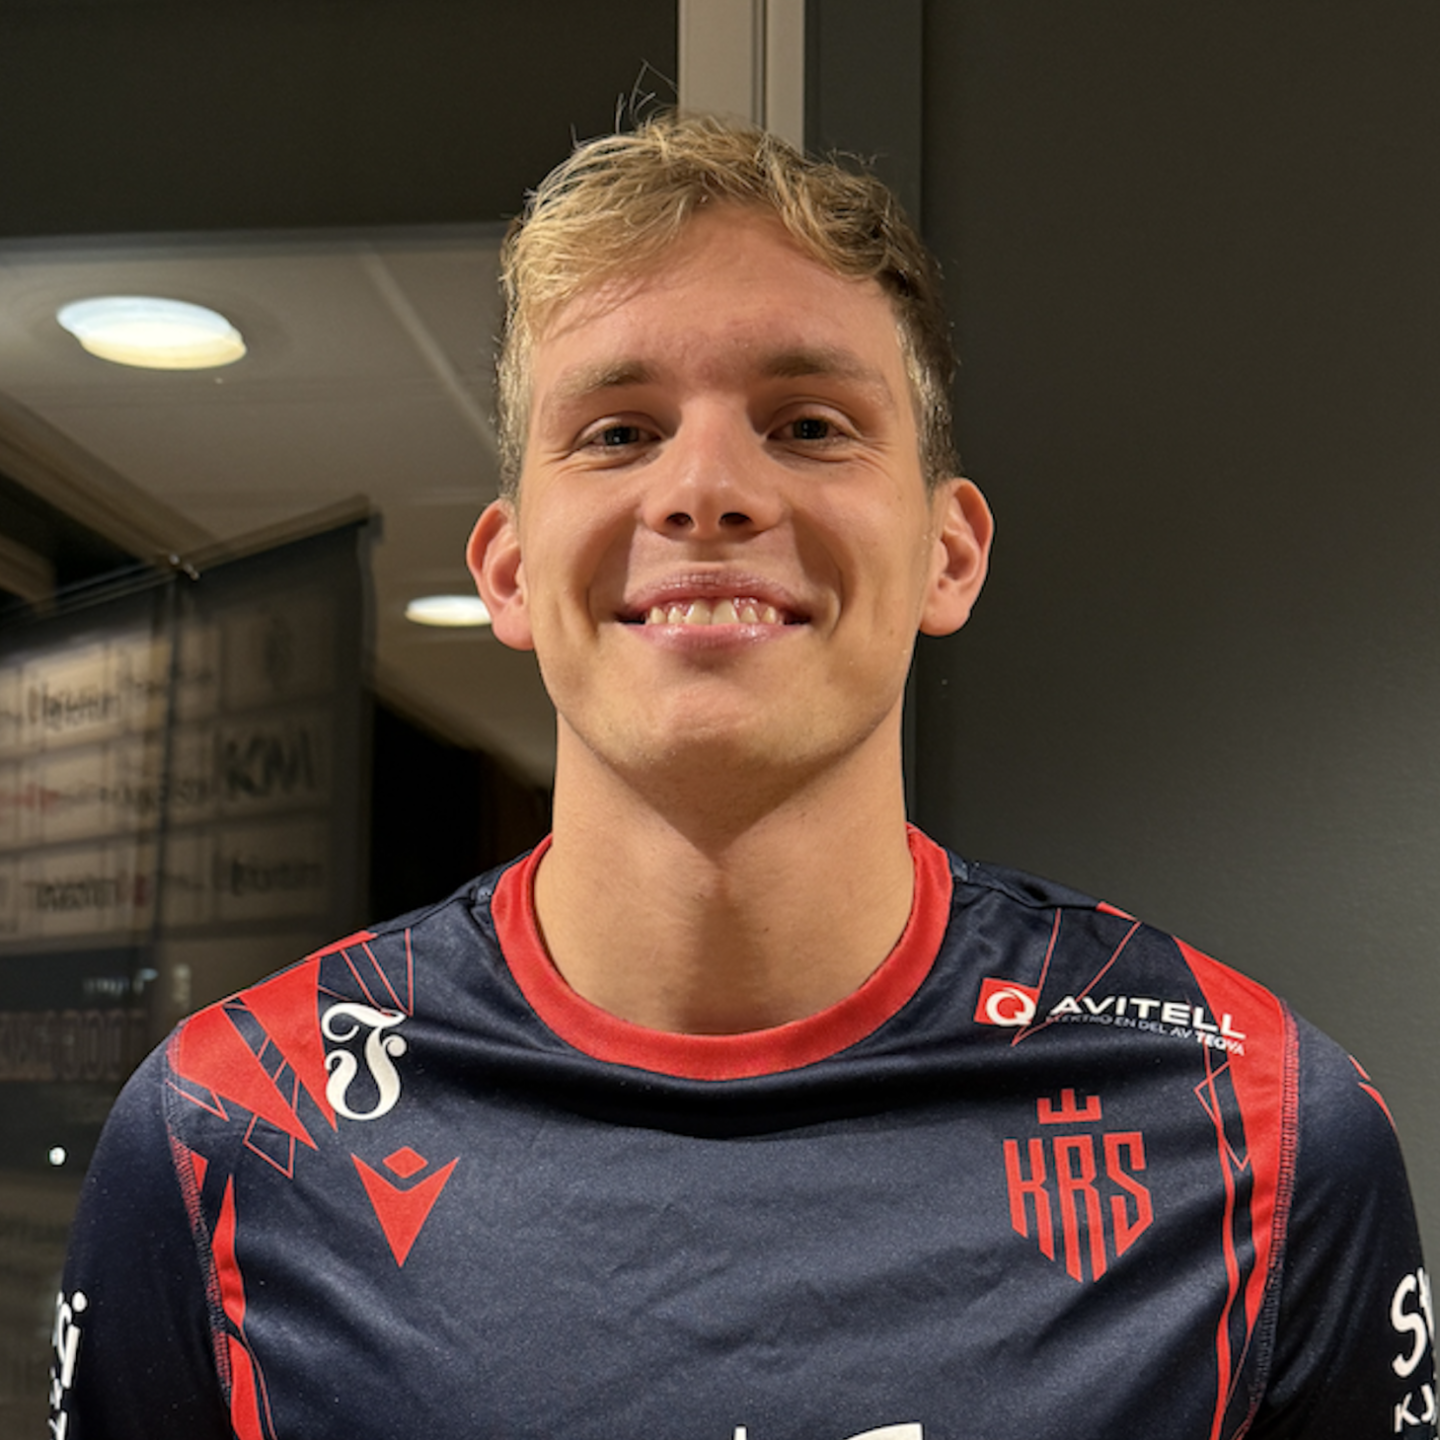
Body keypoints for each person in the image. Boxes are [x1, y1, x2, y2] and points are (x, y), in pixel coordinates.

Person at [51, 115, 1435, 1440]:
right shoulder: (228, 1134)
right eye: (618, 431)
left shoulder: (1256, 1128)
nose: (706, 488)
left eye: (811, 424)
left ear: (949, 555)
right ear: (510, 571)